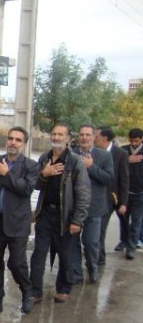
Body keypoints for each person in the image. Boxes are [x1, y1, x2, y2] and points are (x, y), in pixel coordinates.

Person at [0, 127, 39, 316]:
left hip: (17, 223)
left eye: (18, 140)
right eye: (11, 138)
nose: (13, 142)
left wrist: (6, 174)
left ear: (24, 144)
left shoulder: (30, 166)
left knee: (17, 262)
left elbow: (26, 189)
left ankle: (27, 293)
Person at [29, 123, 90, 303]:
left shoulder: (75, 161)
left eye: (60, 135)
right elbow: (35, 185)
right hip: (45, 214)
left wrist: (77, 220)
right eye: (54, 134)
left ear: (68, 139)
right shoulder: (44, 158)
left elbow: (83, 193)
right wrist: (44, 174)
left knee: (65, 255)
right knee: (38, 254)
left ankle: (64, 287)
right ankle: (35, 291)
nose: (56, 137)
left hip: (66, 216)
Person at [69, 124, 113, 283]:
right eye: (81, 134)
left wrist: (91, 167)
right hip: (74, 208)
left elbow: (108, 178)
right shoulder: (71, 154)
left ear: (94, 137)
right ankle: (76, 273)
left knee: (91, 242)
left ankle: (92, 267)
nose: (84, 138)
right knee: (72, 243)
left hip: (94, 208)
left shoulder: (104, 156)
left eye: (88, 135)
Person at [94, 127, 129, 265]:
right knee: (96, 229)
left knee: (100, 228)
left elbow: (124, 178)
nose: (94, 138)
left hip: (111, 198)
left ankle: (99, 258)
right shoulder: (93, 152)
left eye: (96, 136)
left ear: (104, 138)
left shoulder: (121, 154)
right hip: (95, 197)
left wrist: (123, 202)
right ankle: (97, 256)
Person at [121, 128, 143, 259]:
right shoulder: (123, 151)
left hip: (140, 193)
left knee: (136, 221)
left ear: (141, 139)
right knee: (123, 219)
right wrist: (127, 160)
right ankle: (123, 241)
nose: (134, 143)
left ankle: (131, 247)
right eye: (131, 141)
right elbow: (116, 166)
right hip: (125, 193)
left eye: (136, 141)